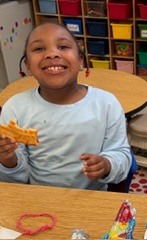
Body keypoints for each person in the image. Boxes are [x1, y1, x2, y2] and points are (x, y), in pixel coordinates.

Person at [0, 22, 131, 190]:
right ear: (28, 66)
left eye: (63, 46)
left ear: (80, 60)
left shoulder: (107, 104)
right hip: (38, 198)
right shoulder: (15, 108)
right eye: (39, 49)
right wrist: (8, 159)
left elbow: (121, 155)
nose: (52, 53)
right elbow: (15, 181)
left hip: (91, 198)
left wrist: (107, 164)